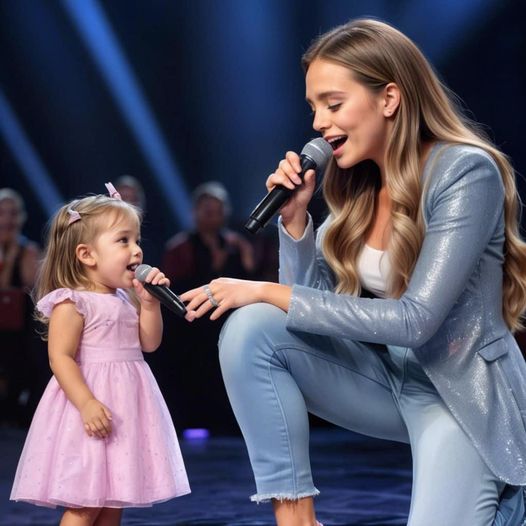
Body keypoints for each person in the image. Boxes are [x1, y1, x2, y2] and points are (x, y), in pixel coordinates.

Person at [180, 18, 526, 526]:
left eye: (333, 104)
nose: (319, 123)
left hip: (461, 398)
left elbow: (415, 321)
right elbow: (307, 310)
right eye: (313, 107)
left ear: (389, 98)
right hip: (389, 383)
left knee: (262, 303)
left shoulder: (465, 171)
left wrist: (264, 288)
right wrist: (295, 222)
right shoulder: (359, 190)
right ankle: (296, 516)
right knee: (253, 328)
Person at [10, 183, 190, 526]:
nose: (136, 251)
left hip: (125, 407)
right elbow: (60, 358)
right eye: (123, 241)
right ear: (87, 255)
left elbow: (148, 344)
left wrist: (151, 303)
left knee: (112, 501)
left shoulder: (127, 298)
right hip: (91, 407)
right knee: (85, 503)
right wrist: (87, 403)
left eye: (136, 240)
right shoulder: (73, 302)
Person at [159, 181, 255, 434]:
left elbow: (250, 279)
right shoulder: (180, 247)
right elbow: (173, 290)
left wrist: (243, 257)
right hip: (193, 328)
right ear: (195, 213)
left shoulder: (236, 244)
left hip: (229, 322)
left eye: (218, 210)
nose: (213, 217)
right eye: (207, 210)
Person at [0, 188, 43, 426]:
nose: (7, 219)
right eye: (2, 213)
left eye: (12, 213)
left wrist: (13, 252)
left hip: (20, 329)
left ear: (21, 217)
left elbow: (29, 288)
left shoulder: (29, 251)